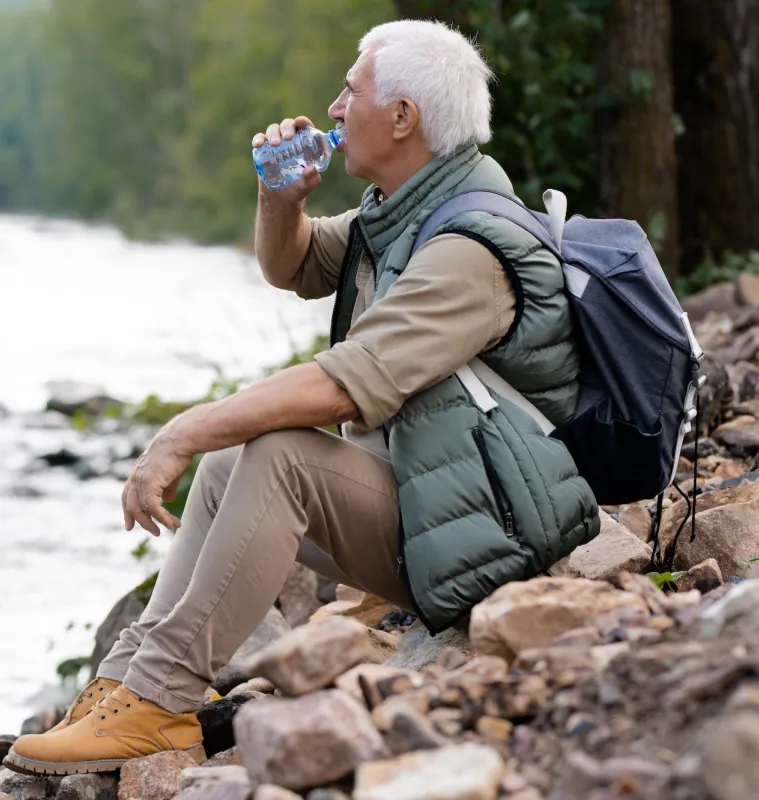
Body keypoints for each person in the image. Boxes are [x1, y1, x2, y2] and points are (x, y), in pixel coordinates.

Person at [5, 19, 598, 776]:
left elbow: (338, 384)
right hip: (442, 505)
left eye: (351, 90)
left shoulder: (467, 251)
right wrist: (278, 197)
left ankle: (160, 705)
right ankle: (128, 686)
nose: (334, 104)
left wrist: (183, 431)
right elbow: (295, 264)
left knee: (279, 454)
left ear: (404, 117)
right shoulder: (408, 210)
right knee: (229, 470)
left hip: (498, 532)